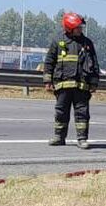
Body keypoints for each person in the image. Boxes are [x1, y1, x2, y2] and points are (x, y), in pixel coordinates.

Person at [43, 12, 100, 148]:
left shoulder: (87, 43)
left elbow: (95, 64)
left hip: (81, 86)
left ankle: (82, 139)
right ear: (69, 28)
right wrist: (47, 81)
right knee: (61, 112)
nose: (81, 30)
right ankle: (59, 137)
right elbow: (49, 62)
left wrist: (94, 82)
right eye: (78, 27)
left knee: (82, 113)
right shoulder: (58, 41)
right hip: (62, 85)